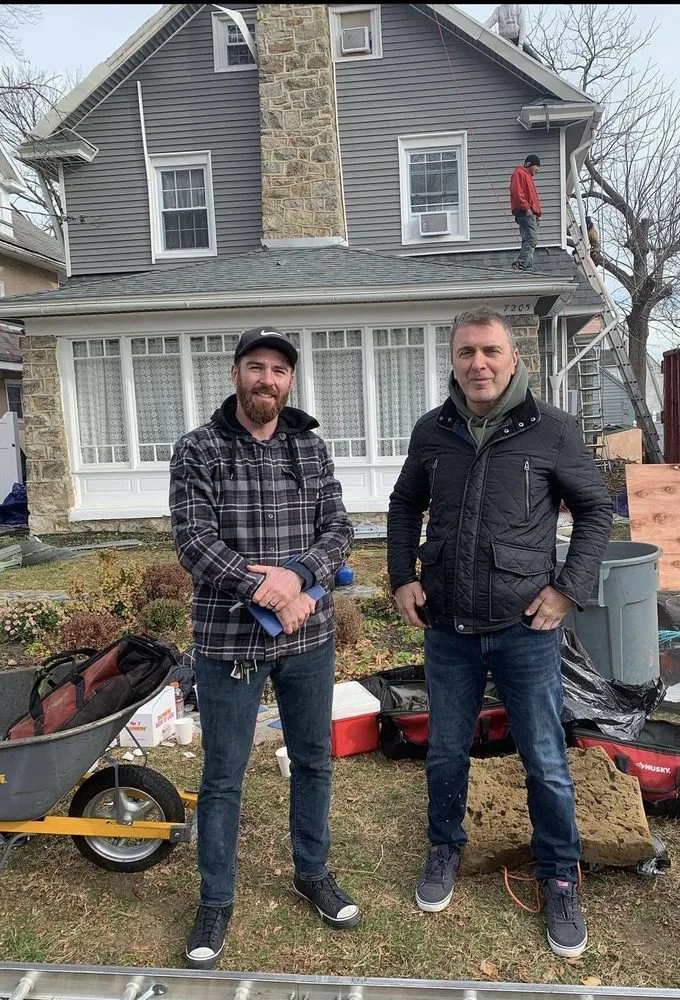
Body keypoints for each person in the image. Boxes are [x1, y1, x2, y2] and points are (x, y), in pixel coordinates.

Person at [387, 308, 612, 959]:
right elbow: (405, 504)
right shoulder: (433, 431)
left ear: (513, 358)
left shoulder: (553, 431)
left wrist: (568, 589)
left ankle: (560, 875)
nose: (477, 364)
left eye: (489, 351)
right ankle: (443, 849)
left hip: (526, 630)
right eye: (466, 353)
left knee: (544, 760)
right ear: (453, 361)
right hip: (448, 629)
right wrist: (403, 575)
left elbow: (596, 509)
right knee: (446, 752)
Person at [169, 326, 360, 971]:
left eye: (279, 370)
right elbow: (194, 543)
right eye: (256, 367)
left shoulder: (310, 447)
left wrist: (299, 578)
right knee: (223, 775)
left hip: (310, 639)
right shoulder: (197, 451)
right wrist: (272, 589)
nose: (267, 380)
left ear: (289, 381)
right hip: (227, 641)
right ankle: (214, 901)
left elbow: (340, 530)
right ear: (235, 375)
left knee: (313, 760)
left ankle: (313, 874)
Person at [510, 154, 542, 272]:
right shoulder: (520, 173)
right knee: (532, 239)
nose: (538, 169)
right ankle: (522, 264)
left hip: (530, 214)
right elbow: (517, 192)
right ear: (529, 164)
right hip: (525, 213)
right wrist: (526, 208)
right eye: (536, 166)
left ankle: (527, 265)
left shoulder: (527, 176)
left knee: (528, 240)